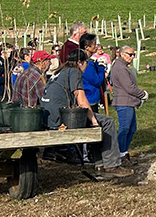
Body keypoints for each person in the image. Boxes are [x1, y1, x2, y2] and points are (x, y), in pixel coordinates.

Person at [40, 49, 132, 178]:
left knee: (94, 123)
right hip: (60, 118)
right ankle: (112, 165)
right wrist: (93, 120)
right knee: (107, 122)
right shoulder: (74, 72)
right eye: (85, 63)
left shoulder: (60, 71)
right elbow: (81, 99)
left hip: (49, 116)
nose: (86, 66)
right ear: (79, 62)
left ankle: (100, 163)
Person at [110, 46, 148, 167]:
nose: (132, 57)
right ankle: (120, 155)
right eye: (129, 54)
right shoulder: (120, 68)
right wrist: (142, 94)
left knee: (131, 129)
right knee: (125, 129)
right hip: (124, 103)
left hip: (127, 102)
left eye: (133, 55)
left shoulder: (122, 66)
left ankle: (124, 153)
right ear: (121, 54)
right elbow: (129, 87)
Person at [81, 34, 108, 111]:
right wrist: (101, 67)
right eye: (94, 44)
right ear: (87, 47)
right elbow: (97, 81)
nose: (96, 46)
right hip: (89, 99)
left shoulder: (90, 61)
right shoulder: (86, 64)